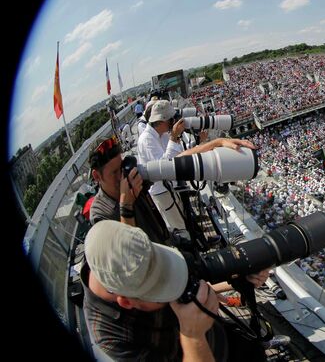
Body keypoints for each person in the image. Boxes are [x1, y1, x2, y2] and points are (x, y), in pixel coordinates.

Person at [82, 220, 270, 361]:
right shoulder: (110, 337)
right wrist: (193, 336)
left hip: (227, 338)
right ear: (127, 302)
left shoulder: (130, 252)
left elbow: (197, 280)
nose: (175, 290)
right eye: (162, 291)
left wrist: (239, 277)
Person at [137, 99, 255, 230]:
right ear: (160, 121)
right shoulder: (147, 139)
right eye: (171, 120)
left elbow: (181, 155)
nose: (174, 123)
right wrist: (174, 137)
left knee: (184, 222)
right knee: (180, 228)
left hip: (170, 188)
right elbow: (165, 167)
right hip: (162, 193)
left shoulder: (162, 135)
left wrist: (200, 142)